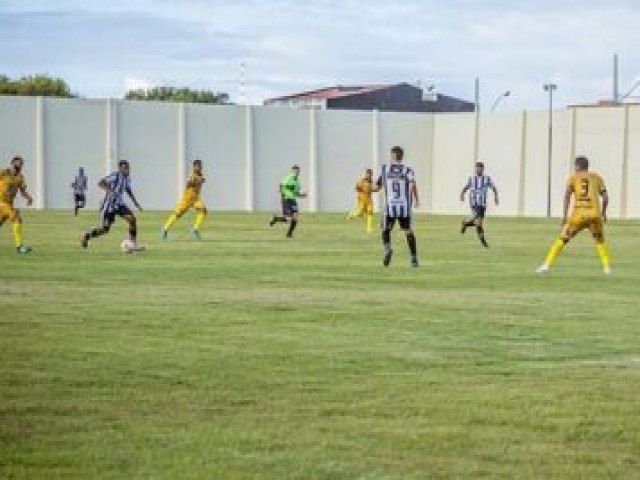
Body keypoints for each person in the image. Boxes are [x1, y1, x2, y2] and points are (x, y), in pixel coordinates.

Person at [537, 155, 611, 274]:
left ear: (577, 166)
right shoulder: (597, 177)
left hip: (579, 215)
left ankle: (546, 265)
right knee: (600, 240)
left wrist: (565, 216)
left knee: (562, 239)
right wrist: (603, 213)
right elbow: (606, 198)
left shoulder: (573, 178)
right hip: (594, 215)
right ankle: (607, 268)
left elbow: (567, 196)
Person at [81, 159, 143, 249]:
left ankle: (132, 243)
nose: (127, 170)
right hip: (108, 206)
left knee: (132, 219)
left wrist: (136, 203)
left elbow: (128, 190)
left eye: (128, 168)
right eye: (125, 168)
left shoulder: (126, 178)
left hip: (119, 205)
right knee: (104, 229)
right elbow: (100, 182)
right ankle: (87, 236)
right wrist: (110, 191)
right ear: (120, 169)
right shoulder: (115, 176)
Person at [377, 146, 419, 267]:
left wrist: (367, 190)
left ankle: (388, 249)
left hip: (390, 206)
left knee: (385, 229)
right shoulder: (408, 170)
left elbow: (377, 186)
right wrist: (415, 199)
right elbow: (412, 184)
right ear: (401, 156)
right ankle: (414, 258)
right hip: (404, 206)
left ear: (393, 156)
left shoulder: (385, 169)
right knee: (408, 231)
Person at [162, 159, 207, 240]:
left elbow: (202, 180)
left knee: (203, 210)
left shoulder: (200, 175)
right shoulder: (192, 175)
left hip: (196, 199)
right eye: (197, 166)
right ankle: (165, 229)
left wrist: (201, 180)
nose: (199, 167)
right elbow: (189, 182)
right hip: (186, 199)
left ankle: (195, 228)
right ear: (194, 167)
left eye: (200, 166)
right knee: (177, 214)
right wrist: (191, 181)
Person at [459, 162, 499, 248]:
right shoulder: (472, 178)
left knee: (478, 223)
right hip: (474, 202)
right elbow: (466, 187)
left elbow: (494, 188)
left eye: (480, 168)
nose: (478, 170)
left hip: (482, 204)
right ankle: (484, 243)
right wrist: (462, 194)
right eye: (477, 168)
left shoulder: (487, 179)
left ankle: (465, 223)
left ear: (483, 169)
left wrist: (496, 197)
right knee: (478, 222)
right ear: (475, 169)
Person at [0, 155, 33, 254]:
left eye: (21, 164)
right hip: (1, 203)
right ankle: (19, 247)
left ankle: (19, 247)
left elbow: (22, 191)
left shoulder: (20, 177)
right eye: (18, 164)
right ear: (12, 164)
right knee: (17, 218)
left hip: (8, 204)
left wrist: (29, 198)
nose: (19, 167)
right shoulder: (3, 173)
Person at [269, 164, 307, 238]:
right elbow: (281, 184)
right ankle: (276, 219)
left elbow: (296, 193)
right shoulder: (289, 178)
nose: (297, 173)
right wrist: (282, 192)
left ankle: (289, 234)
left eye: (298, 171)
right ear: (292, 171)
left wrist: (302, 195)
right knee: (289, 219)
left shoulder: (297, 182)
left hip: (292, 200)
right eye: (295, 171)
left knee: (295, 217)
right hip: (286, 199)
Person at [346, 168, 375, 233]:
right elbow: (357, 187)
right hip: (362, 199)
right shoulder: (362, 181)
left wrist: (374, 189)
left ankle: (369, 228)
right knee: (359, 213)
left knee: (370, 212)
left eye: (370, 174)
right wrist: (361, 191)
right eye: (368, 174)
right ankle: (351, 214)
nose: (369, 175)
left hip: (369, 200)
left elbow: (371, 189)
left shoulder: (372, 181)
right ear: (366, 174)